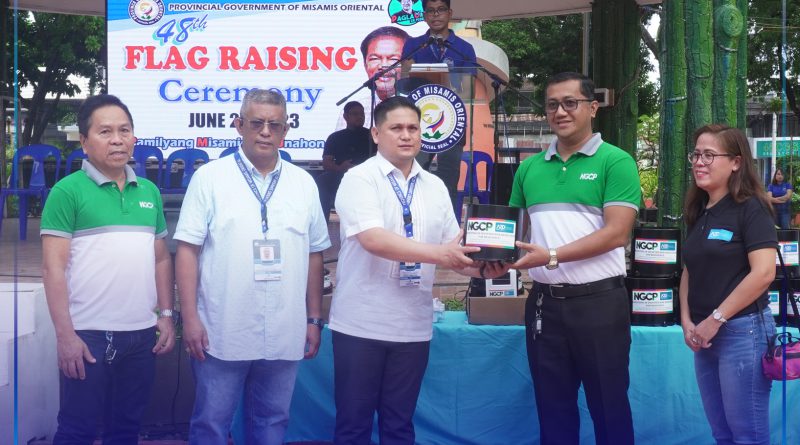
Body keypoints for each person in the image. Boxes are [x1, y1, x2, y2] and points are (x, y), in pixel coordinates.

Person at [328, 96, 505, 445]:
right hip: (360, 324)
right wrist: (442, 254)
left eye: (413, 128)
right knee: (353, 426)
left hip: (412, 326)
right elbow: (374, 240)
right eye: (396, 128)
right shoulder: (358, 179)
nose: (406, 135)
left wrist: (483, 268)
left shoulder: (435, 186)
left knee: (399, 425)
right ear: (377, 134)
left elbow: (453, 246)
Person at [174, 89, 331, 444]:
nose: (265, 131)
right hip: (221, 328)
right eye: (256, 123)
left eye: (274, 124)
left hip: (285, 327)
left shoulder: (304, 184)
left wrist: (314, 319)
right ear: (238, 125)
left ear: (285, 130)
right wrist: (191, 318)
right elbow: (187, 250)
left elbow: (314, 254)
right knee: (212, 423)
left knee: (273, 422)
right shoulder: (210, 178)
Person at [509, 72, 640, 445]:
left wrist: (551, 255)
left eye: (571, 103)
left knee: (609, 407)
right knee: (553, 410)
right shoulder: (529, 168)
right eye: (553, 104)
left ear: (592, 107)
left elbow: (617, 233)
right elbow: (513, 234)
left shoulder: (616, 162)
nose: (561, 112)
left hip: (600, 304)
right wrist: (482, 251)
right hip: (544, 306)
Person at [40, 94, 175, 444]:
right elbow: (53, 269)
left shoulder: (148, 191)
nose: (117, 139)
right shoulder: (66, 192)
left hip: (142, 335)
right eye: (105, 131)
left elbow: (161, 257)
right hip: (89, 336)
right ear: (84, 142)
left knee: (127, 430)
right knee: (77, 430)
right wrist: (65, 337)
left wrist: (165, 315)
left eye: (124, 130)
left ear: (133, 138)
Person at [680, 124, 777, 445]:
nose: (699, 162)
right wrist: (687, 321)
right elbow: (689, 268)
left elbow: (763, 274)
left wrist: (716, 319)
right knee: (722, 433)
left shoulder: (751, 208)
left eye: (709, 155)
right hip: (704, 335)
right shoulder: (699, 209)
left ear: (736, 162)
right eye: (696, 155)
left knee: (747, 434)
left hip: (742, 332)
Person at [400, 0, 478, 216]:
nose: (436, 15)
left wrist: (449, 76)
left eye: (441, 9)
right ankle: (414, 224)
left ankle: (449, 230)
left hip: (451, 120)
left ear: (450, 13)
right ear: (424, 15)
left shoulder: (464, 48)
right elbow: (405, 83)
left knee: (449, 178)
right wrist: (407, 71)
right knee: (414, 174)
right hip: (419, 121)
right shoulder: (413, 45)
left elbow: (468, 85)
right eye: (430, 11)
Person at [336, 26, 410, 131]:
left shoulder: (415, 104)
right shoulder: (355, 110)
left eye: (393, 59)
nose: (383, 65)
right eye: (374, 58)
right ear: (365, 65)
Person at [318, 101, 372, 223]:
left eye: (362, 114)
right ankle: (321, 227)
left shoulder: (371, 136)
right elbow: (326, 163)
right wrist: (341, 168)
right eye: (355, 114)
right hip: (342, 175)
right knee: (323, 180)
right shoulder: (335, 137)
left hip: (368, 177)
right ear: (346, 117)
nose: (360, 117)